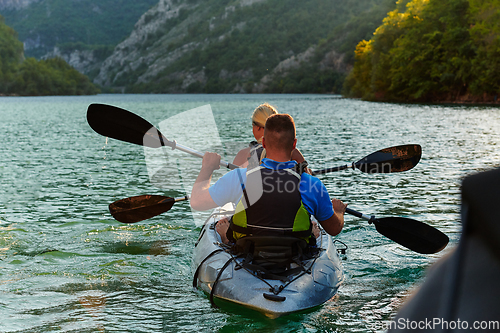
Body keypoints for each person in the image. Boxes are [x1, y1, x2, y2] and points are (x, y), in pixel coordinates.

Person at [190, 113, 347, 245]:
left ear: (263, 143)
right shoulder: (312, 184)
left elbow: (196, 202)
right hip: (295, 254)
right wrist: (339, 212)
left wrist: (207, 168)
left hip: (247, 250)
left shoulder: (238, 177)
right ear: (294, 145)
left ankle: (227, 236)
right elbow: (334, 229)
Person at [232, 103, 307, 168]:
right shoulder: (292, 152)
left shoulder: (243, 155)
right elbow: (307, 178)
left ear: (257, 127)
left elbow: (232, 182)